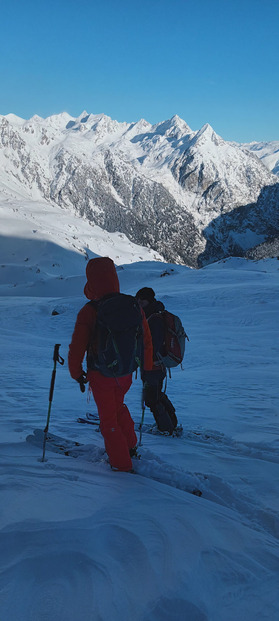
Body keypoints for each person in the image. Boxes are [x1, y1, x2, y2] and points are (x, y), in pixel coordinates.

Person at [68, 257, 153, 472]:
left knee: (108, 421)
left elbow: (77, 346)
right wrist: (147, 368)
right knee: (118, 407)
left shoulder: (90, 310)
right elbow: (146, 339)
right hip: (126, 373)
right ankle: (130, 446)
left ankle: (121, 465)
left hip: (101, 374)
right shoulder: (132, 305)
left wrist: (76, 373)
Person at [135, 287, 178, 435]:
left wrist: (144, 361)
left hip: (152, 366)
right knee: (156, 395)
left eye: (143, 299)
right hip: (155, 365)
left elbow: (152, 345)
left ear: (150, 300)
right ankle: (171, 423)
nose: (140, 301)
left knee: (151, 399)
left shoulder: (154, 319)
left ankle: (165, 428)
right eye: (138, 298)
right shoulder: (151, 315)